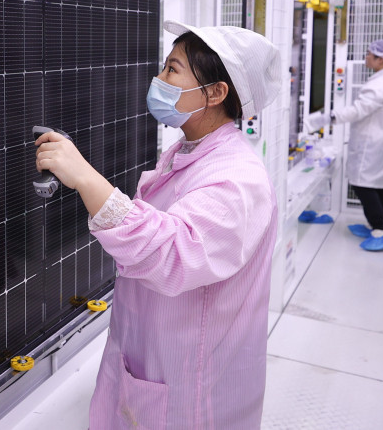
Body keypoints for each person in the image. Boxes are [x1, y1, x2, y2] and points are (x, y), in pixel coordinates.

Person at [34, 21, 281, 429]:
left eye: (172, 70)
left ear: (216, 93)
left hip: (194, 383)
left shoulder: (238, 180)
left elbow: (172, 252)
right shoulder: (187, 150)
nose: (159, 79)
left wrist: (86, 179)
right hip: (156, 352)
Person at [305, 39, 383, 251]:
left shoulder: (380, 83)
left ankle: (380, 229)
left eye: (370, 54)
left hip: (372, 142)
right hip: (381, 139)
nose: (366, 57)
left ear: (381, 59)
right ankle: (374, 224)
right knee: (378, 183)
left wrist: (328, 118)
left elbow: (359, 110)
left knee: (363, 183)